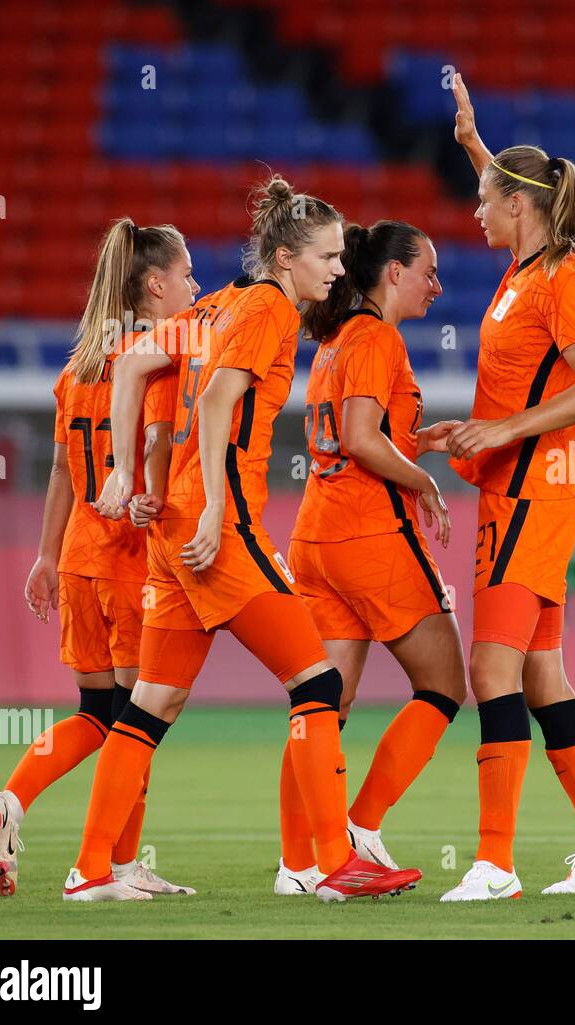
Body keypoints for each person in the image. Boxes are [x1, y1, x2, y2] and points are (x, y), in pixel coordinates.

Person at [73, 175, 422, 902]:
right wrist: (210, 514)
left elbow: (134, 362)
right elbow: (219, 402)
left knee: (150, 706)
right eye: (328, 257)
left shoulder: (219, 304)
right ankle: (327, 863)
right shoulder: (264, 308)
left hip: (173, 528)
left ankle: (92, 872)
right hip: (218, 527)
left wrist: (126, 471)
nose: (338, 269)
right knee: (317, 683)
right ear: (288, 258)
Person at [438, 73, 575, 900]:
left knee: (491, 675)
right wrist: (475, 148)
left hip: (532, 496)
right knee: (540, 678)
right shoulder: (527, 269)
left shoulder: (559, 279)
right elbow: (521, 197)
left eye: (486, 199)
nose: (476, 211)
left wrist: (505, 431)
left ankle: (493, 864)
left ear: (517, 208)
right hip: (515, 491)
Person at [0, 218, 196, 898]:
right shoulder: (158, 358)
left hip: (76, 559)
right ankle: (114, 865)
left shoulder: (78, 367)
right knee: (141, 717)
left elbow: (64, 474)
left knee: (99, 711)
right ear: (155, 286)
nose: (197, 288)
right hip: (131, 560)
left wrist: (45, 556)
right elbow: (154, 452)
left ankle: (12, 802)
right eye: (188, 276)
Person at [275, 219, 466, 895]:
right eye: (429, 272)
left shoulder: (335, 338)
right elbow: (360, 438)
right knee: (445, 688)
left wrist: (419, 444)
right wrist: (424, 481)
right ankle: (359, 827)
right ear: (394, 273)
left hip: (317, 537)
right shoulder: (379, 336)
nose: (437, 286)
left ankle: (300, 863)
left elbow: (363, 434)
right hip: (371, 538)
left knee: (325, 703)